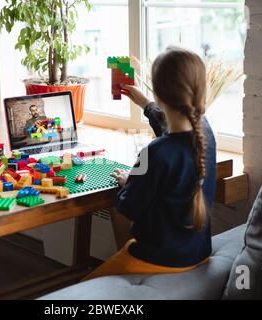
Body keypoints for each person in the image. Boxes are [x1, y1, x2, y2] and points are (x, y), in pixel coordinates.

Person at [83, 46, 217, 281]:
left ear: (159, 92)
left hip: (158, 259)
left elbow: (128, 208)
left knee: (85, 285)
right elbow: (170, 129)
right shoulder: (205, 133)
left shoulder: (154, 152)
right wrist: (145, 103)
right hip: (198, 253)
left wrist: (130, 182)